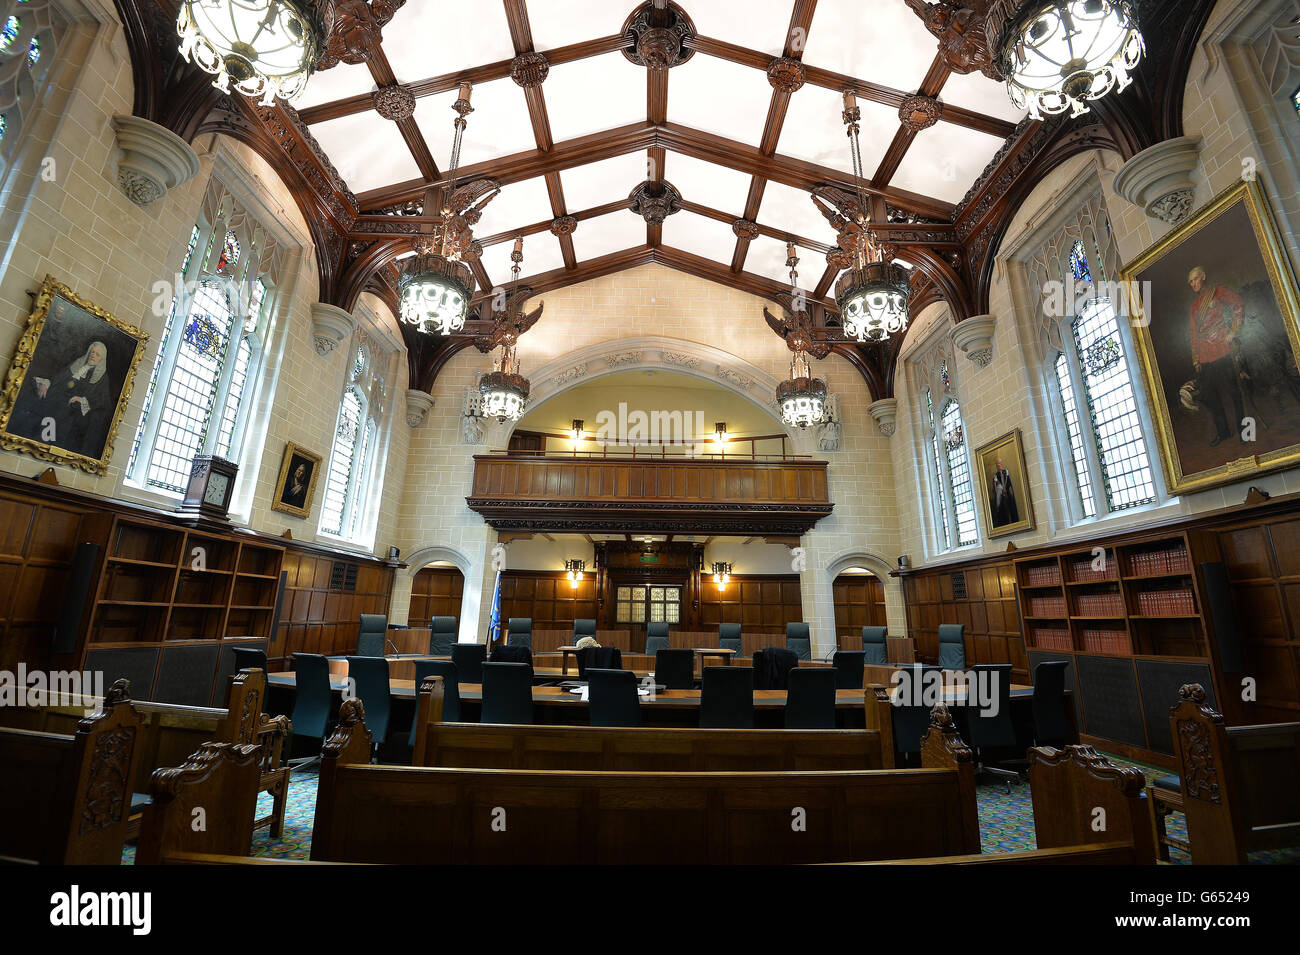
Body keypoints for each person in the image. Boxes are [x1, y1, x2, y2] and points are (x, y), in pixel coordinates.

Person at [9, 341, 113, 459]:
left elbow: (102, 401)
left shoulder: (102, 378)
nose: (93, 355)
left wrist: (83, 400)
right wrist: (47, 383)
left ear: (102, 359)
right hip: (56, 397)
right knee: (30, 400)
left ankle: (37, 444)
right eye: (92, 352)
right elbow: (58, 378)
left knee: (53, 415)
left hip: (71, 409)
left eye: (97, 354)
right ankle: (16, 435)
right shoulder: (78, 364)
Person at [1187, 266, 1246, 447]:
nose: (1194, 284)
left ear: (1204, 277)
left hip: (1223, 348)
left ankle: (1245, 432)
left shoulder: (1218, 292)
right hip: (1205, 355)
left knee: (1234, 392)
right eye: (1190, 282)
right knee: (1210, 396)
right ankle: (1223, 432)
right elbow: (1194, 334)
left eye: (1196, 279)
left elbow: (1239, 303)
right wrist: (1196, 358)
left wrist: (1234, 331)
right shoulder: (1194, 308)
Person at [990, 455, 1019, 527]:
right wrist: (1001, 488)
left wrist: (1006, 489)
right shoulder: (995, 475)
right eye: (997, 464)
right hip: (1001, 495)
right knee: (1003, 510)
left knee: (1011, 507)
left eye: (1000, 463)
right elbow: (996, 485)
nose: (999, 465)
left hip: (1007, 493)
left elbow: (1008, 482)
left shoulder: (1006, 472)